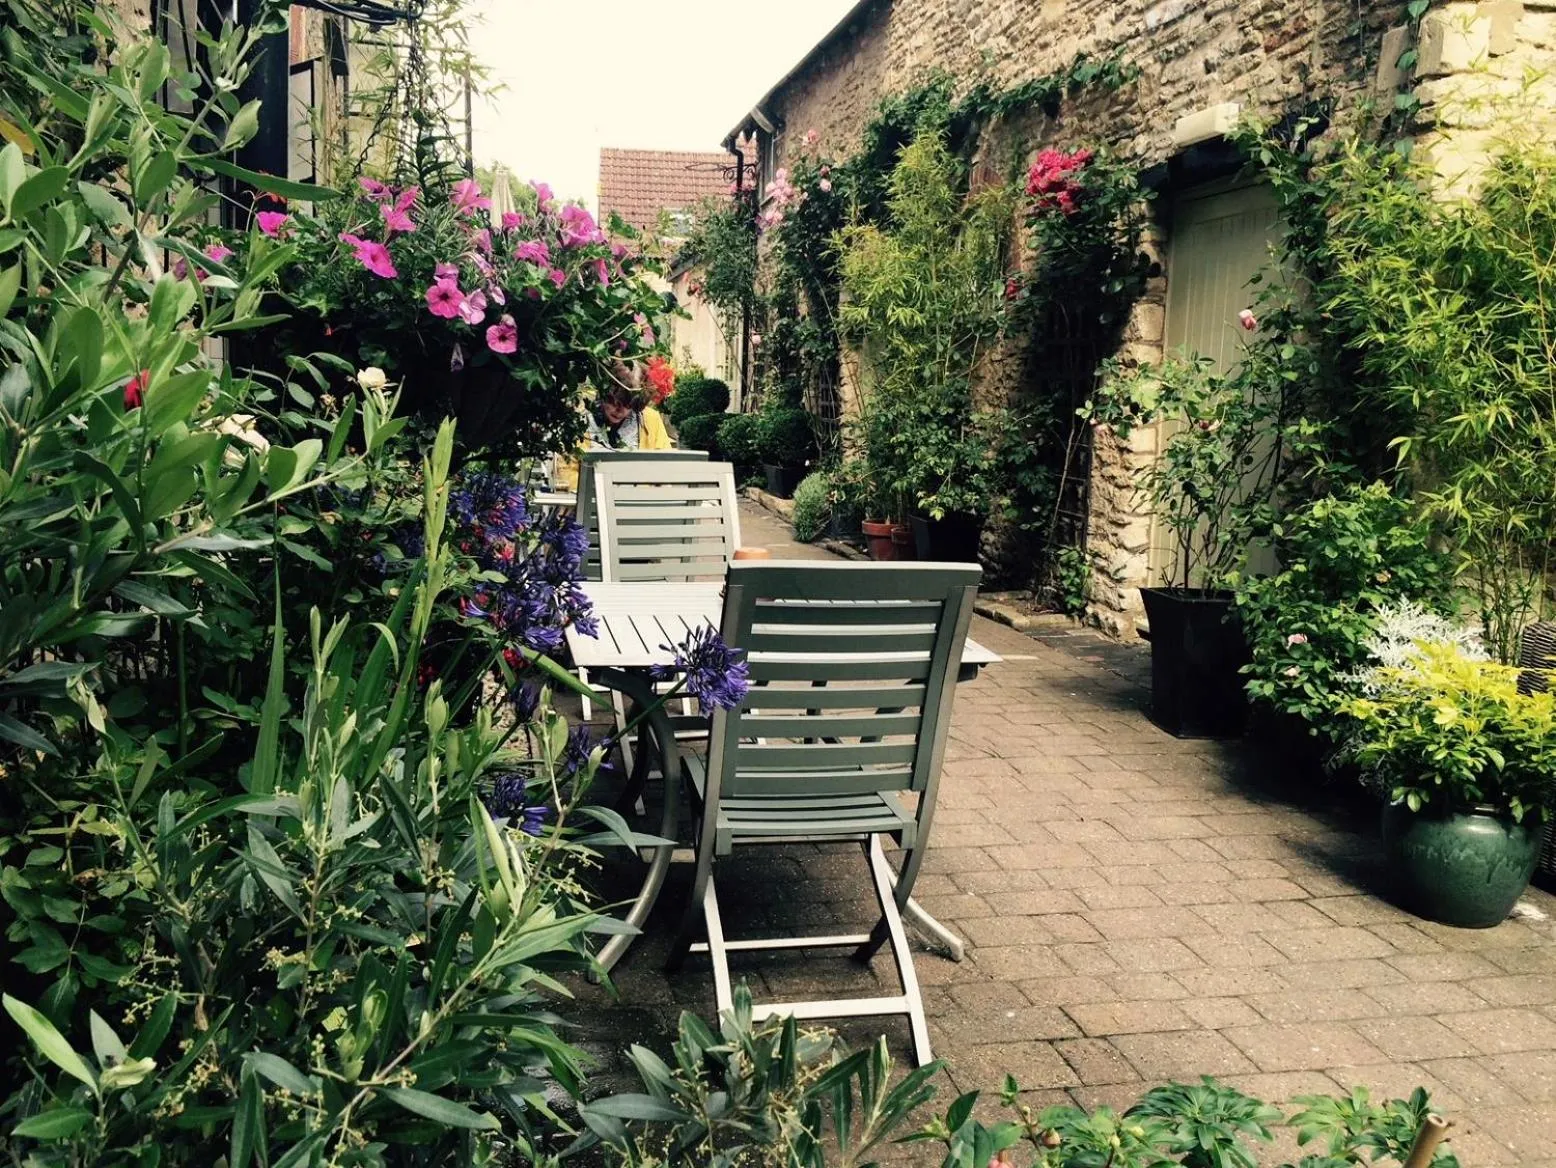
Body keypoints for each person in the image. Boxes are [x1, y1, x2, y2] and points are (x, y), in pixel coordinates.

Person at [553, 361, 671, 491]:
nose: (619, 410)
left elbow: (666, 470)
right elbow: (566, 472)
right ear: (602, 393)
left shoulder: (651, 420)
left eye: (627, 404)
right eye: (613, 401)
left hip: (639, 505)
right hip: (591, 505)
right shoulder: (580, 419)